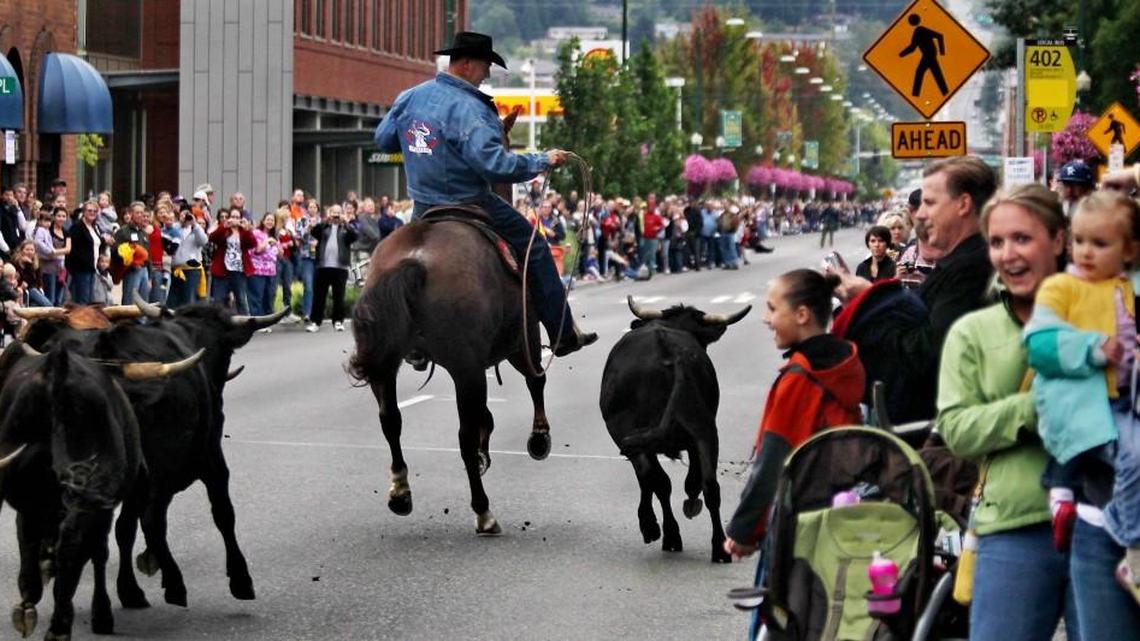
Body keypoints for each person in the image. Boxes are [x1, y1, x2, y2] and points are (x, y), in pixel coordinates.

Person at [373, 31, 596, 357]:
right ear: (465, 64)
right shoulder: (472, 109)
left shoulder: (410, 97)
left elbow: (384, 140)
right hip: (472, 201)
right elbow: (496, 165)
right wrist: (541, 160)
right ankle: (562, 333)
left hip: (422, 207)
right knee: (534, 246)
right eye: (485, 65)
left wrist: (419, 144)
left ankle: (411, 342)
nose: (487, 73)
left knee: (391, 261)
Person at [938, 183, 1080, 641]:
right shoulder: (973, 333)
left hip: (1105, 525)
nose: (1008, 254)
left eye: (1023, 238)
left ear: (1058, 240)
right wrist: (1034, 408)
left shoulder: (1107, 316)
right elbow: (957, 429)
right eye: (997, 242)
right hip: (1014, 528)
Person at [1021, 190, 1140, 633]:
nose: (1086, 252)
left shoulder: (1128, 285)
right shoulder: (1063, 287)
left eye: (1100, 243)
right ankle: (1125, 538)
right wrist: (1092, 349)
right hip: (1097, 431)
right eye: (1079, 241)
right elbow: (1040, 345)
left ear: (1129, 249)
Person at [724, 268, 865, 641]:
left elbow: (772, 461)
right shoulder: (847, 362)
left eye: (773, 309)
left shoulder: (800, 377)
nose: (766, 319)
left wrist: (744, 531)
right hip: (843, 513)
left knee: (785, 620)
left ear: (802, 314)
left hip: (800, 519)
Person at [831, 156, 997, 423]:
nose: (919, 214)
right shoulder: (957, 263)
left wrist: (870, 299)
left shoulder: (972, 268)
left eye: (930, 203)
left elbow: (926, 354)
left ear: (963, 204)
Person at [305, 203, 357, 333]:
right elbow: (314, 231)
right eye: (333, 212)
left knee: (339, 296)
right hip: (323, 266)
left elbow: (354, 237)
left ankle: (338, 321)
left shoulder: (345, 228)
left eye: (338, 212)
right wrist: (326, 221)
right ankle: (315, 321)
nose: (336, 215)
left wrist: (346, 223)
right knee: (319, 296)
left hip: (340, 267)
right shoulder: (324, 227)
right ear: (329, 213)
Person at [208, 207, 255, 313]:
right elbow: (212, 238)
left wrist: (247, 230)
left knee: (241, 300)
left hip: (239, 270)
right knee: (219, 300)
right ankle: (217, 324)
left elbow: (252, 244)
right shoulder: (224, 229)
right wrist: (224, 226)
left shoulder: (243, 231)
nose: (235, 219)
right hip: (222, 270)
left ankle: (245, 324)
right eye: (233, 217)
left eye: (237, 217)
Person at [167, 204, 208, 308]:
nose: (185, 217)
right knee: (173, 300)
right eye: (183, 214)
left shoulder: (196, 229)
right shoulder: (175, 228)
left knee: (189, 300)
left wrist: (195, 224)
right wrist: (178, 223)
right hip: (177, 269)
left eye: (187, 214)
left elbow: (203, 241)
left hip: (192, 270)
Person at [66, 201, 103, 305]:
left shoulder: (95, 227)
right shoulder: (77, 227)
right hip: (81, 270)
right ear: (84, 212)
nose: (92, 213)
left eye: (95, 211)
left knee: (90, 301)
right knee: (82, 301)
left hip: (92, 269)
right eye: (89, 210)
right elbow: (74, 251)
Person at [247, 212, 280, 318]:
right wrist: (267, 242)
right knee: (256, 297)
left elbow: (281, 254)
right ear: (263, 221)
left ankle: (265, 321)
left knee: (268, 297)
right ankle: (256, 320)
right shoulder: (256, 233)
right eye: (268, 219)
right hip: (258, 270)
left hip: (271, 271)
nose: (270, 222)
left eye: (272, 220)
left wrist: (277, 245)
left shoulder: (274, 236)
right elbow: (256, 250)